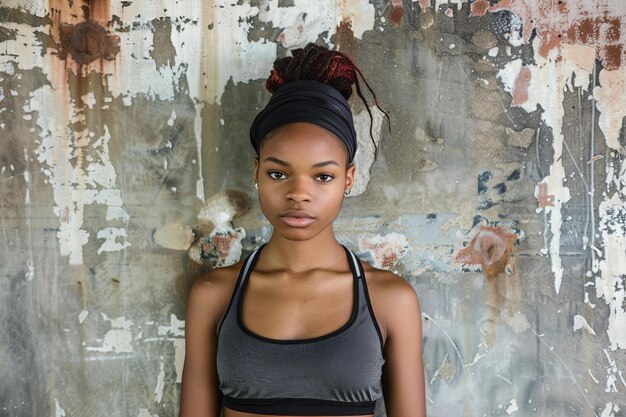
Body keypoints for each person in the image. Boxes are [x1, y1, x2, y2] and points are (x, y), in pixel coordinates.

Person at [179, 43, 426, 417]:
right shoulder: (213, 296)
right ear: (256, 172)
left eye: (323, 176)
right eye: (278, 173)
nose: (298, 194)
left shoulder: (391, 300)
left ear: (349, 179)